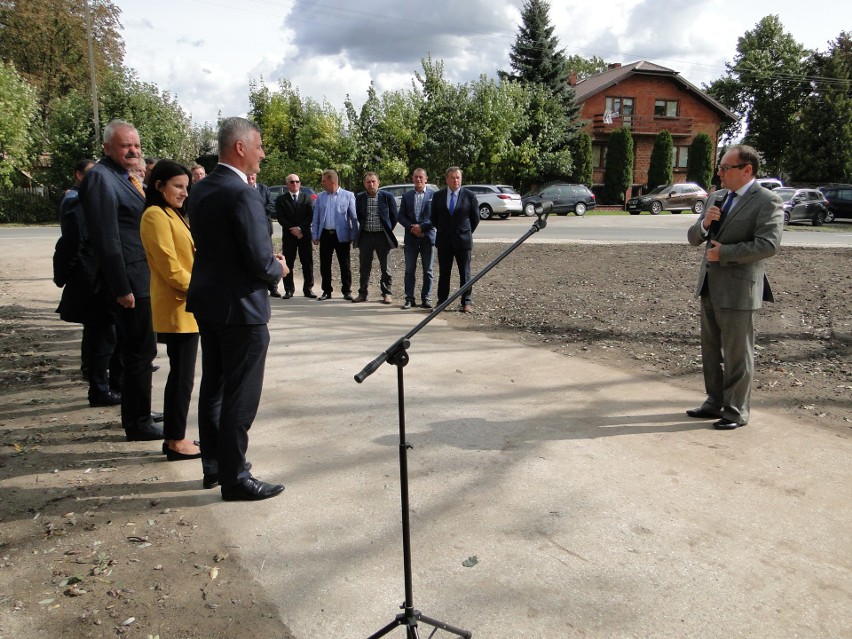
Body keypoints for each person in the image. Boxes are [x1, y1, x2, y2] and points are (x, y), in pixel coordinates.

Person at [186, 116, 288, 501]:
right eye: (259, 146)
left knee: (213, 387)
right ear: (240, 147)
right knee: (240, 396)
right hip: (242, 310)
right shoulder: (242, 192)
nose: (262, 154)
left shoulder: (202, 188)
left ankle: (213, 466)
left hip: (210, 304)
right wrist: (276, 267)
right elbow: (258, 260)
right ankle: (235, 477)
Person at [686, 144, 784, 430]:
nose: (720, 172)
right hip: (709, 286)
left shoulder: (767, 201)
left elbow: (769, 244)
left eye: (725, 168)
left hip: (740, 290)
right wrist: (704, 224)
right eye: (720, 167)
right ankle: (713, 402)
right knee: (710, 350)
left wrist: (726, 253)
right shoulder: (716, 197)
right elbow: (694, 238)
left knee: (738, 354)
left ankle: (735, 411)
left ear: (747, 170)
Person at [79, 119, 163, 441]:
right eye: (126, 145)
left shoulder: (124, 177)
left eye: (136, 145)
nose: (133, 151)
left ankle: (139, 410)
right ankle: (138, 422)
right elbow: (106, 238)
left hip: (141, 277)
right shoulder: (101, 178)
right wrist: (121, 286)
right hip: (129, 280)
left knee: (141, 352)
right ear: (107, 148)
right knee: (139, 352)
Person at [140, 160, 201, 461]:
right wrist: (203, 288)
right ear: (159, 185)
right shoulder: (154, 216)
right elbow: (170, 269)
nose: (183, 193)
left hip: (187, 308)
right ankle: (175, 440)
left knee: (183, 376)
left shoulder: (171, 214)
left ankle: (175, 437)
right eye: (178, 186)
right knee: (181, 378)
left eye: (186, 188)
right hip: (178, 308)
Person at [53, 159, 123, 406]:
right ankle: (99, 389)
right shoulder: (79, 205)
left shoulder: (99, 203)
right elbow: (70, 245)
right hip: (92, 283)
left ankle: (109, 385)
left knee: (105, 337)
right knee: (102, 338)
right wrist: (66, 276)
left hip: (103, 281)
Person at [431, 166, 479, 313]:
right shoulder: (438, 196)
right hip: (444, 240)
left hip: (463, 240)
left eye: (458, 177)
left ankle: (466, 302)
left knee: (465, 273)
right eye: (452, 177)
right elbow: (434, 218)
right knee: (444, 273)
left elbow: (475, 219)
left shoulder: (469, 196)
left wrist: (464, 231)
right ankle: (442, 301)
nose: (455, 180)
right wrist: (444, 230)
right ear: (447, 179)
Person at [311, 169, 358, 300]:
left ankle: (347, 291)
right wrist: (314, 235)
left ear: (332, 181)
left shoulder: (348, 195)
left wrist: (354, 236)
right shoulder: (320, 197)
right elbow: (316, 217)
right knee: (325, 264)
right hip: (326, 234)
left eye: (324, 181)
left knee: (345, 264)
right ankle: (326, 291)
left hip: (342, 235)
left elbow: (354, 218)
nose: (322, 183)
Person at [353, 172, 398, 304]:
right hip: (366, 236)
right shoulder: (360, 197)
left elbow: (394, 216)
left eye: (373, 181)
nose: (371, 184)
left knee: (386, 267)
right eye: (368, 182)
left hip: (382, 236)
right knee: (364, 267)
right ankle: (363, 293)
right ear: (364, 184)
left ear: (378, 182)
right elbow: (359, 215)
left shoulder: (387, 197)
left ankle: (387, 293)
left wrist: (387, 229)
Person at [397, 168, 435, 310]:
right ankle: (409, 299)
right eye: (416, 177)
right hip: (411, 239)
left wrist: (423, 228)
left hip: (427, 237)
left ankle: (426, 298)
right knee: (409, 270)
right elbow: (400, 216)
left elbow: (436, 217)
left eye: (421, 177)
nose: (418, 179)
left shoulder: (434, 195)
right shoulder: (406, 196)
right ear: (412, 179)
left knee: (428, 271)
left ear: (426, 179)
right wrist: (412, 228)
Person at [275, 173, 316, 298]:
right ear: (287, 184)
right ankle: (289, 289)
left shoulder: (307, 198)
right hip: (289, 236)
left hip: (304, 236)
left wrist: (300, 229)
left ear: (300, 183)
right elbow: (280, 218)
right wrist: (292, 229)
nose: (295, 184)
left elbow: (310, 216)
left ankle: (308, 289)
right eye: (292, 182)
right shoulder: (281, 199)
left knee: (307, 263)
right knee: (288, 263)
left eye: (297, 181)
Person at [248, 173, 282, 298]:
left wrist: (256, 211)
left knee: (268, 256)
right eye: (249, 175)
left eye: (253, 175)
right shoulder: (242, 189)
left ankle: (273, 287)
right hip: (249, 229)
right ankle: (256, 287)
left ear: (256, 176)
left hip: (265, 229)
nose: (251, 177)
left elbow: (271, 206)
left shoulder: (264, 189)